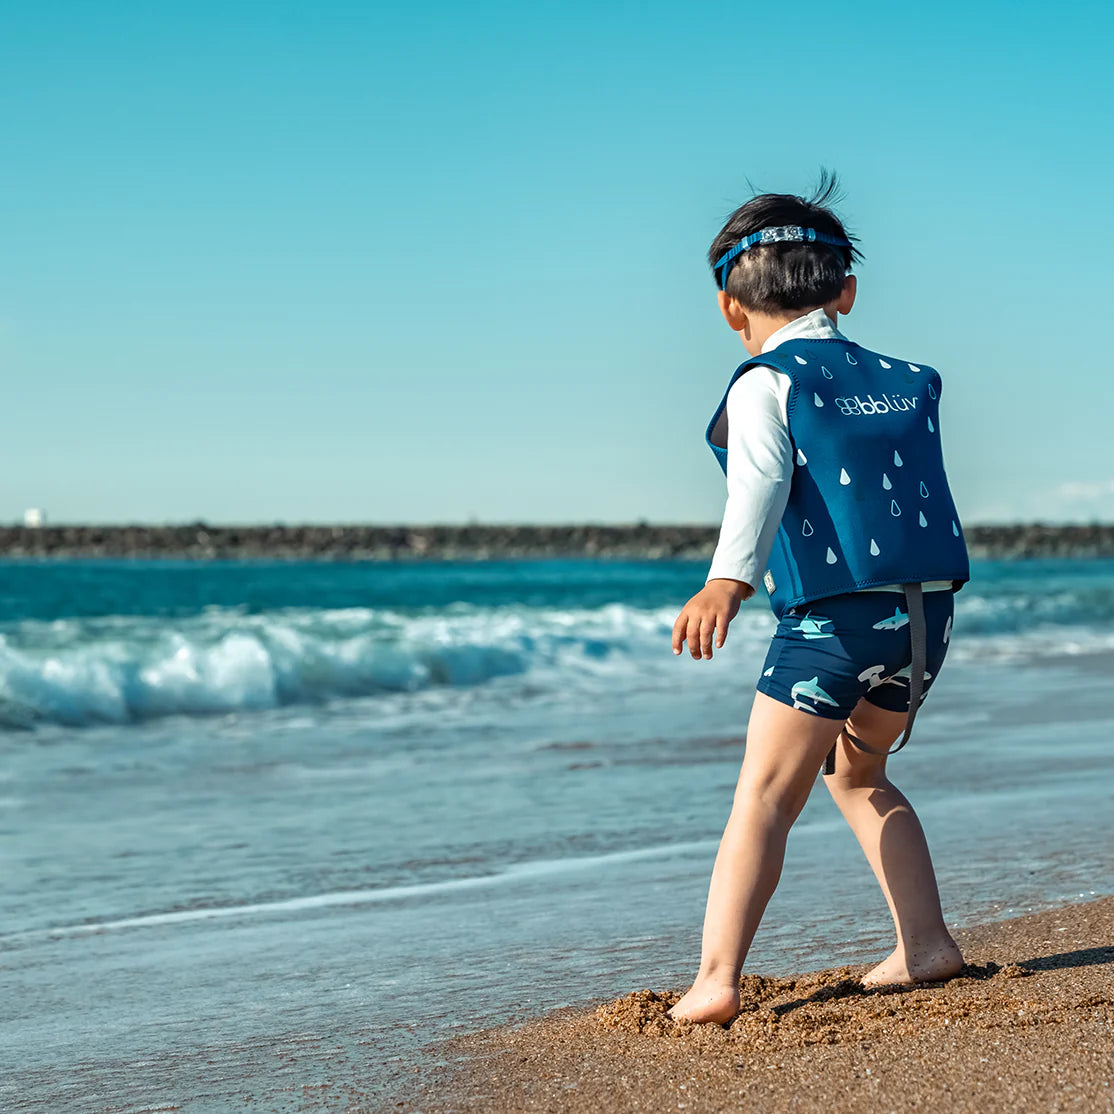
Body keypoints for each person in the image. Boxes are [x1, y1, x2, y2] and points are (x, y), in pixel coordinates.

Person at [667, 170, 971, 1025]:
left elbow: (759, 483)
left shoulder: (766, 380)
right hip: (923, 621)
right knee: (860, 770)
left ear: (733, 308)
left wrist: (726, 580)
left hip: (828, 627)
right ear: (846, 291)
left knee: (764, 797)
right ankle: (927, 944)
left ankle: (717, 980)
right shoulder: (913, 378)